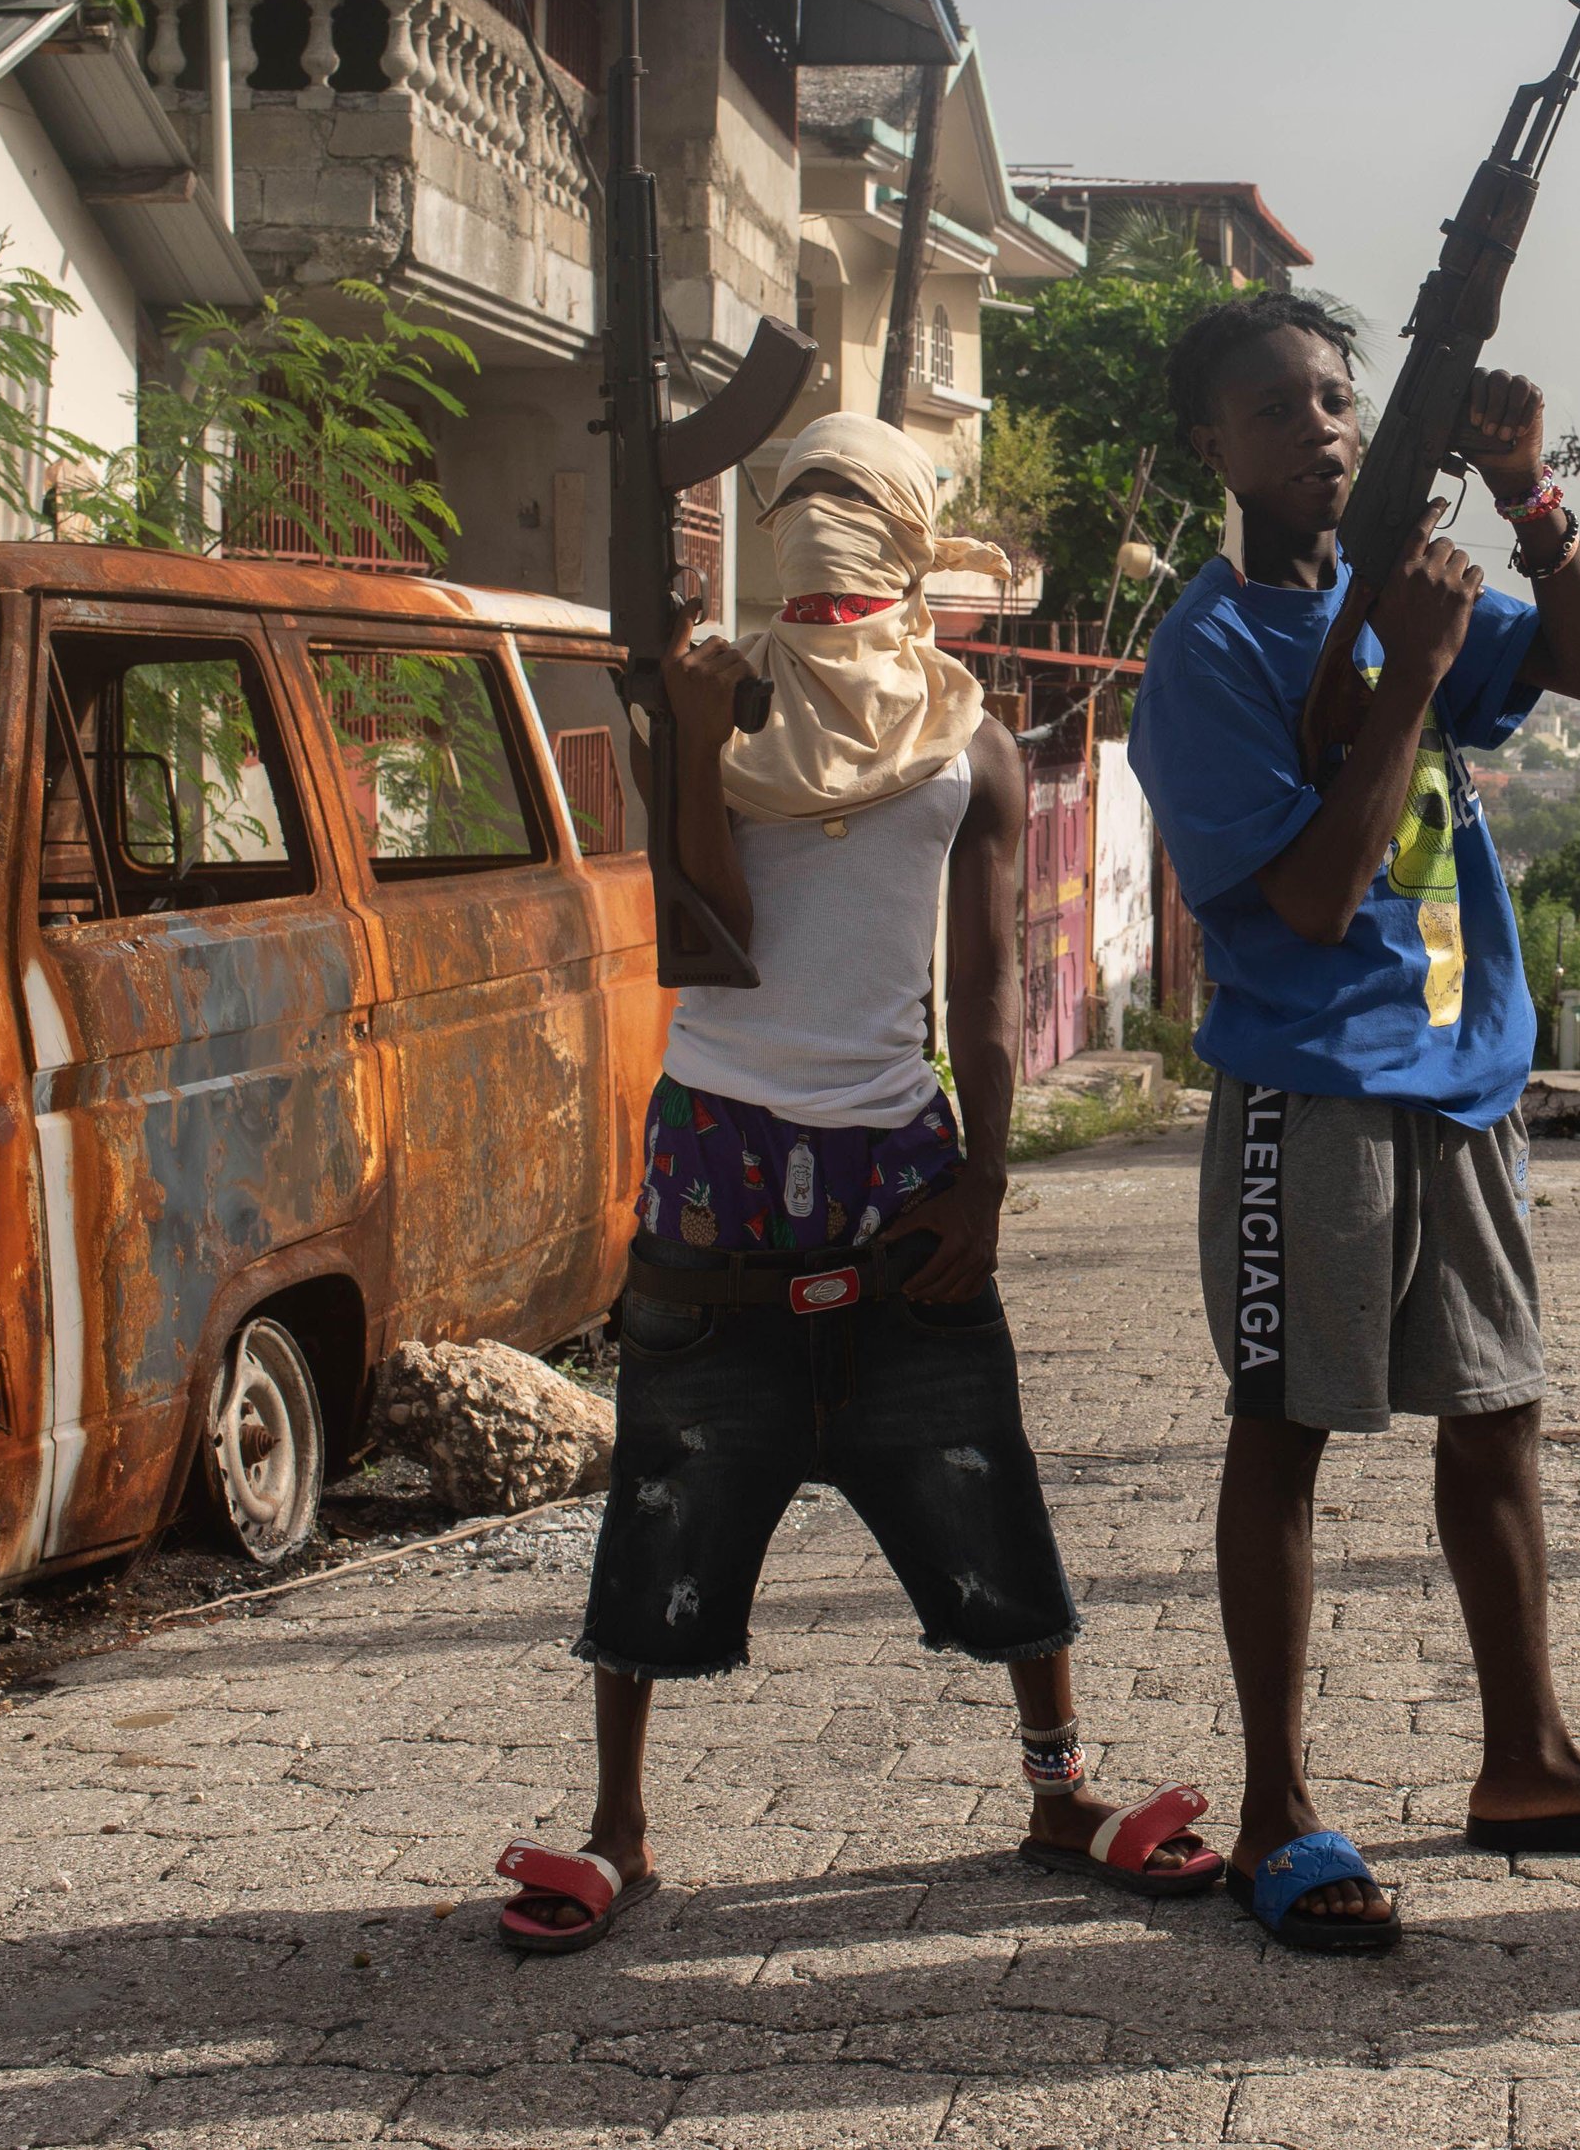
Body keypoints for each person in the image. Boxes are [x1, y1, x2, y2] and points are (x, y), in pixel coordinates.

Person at [494, 412, 1219, 1953]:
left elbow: (991, 981)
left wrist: (987, 1180)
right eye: (800, 507)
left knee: (980, 1467)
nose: (825, 545)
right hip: (717, 1158)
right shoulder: (715, 707)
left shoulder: (969, 741)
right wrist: (693, 737)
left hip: (900, 1165)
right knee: (668, 1481)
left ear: (905, 543)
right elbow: (706, 938)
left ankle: (1058, 1785)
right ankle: (620, 1828)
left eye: (853, 510)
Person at [1128, 293, 1580, 1957]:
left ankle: (1528, 1763)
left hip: (1462, 1078)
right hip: (1312, 1091)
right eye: (1274, 408)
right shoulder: (1209, 656)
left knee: (1498, 1421)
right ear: (1212, 450)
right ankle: (1274, 1813)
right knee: (1288, 1433)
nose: (1317, 428)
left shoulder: (1398, 600)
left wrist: (1533, 494)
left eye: (1337, 399)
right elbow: (1312, 901)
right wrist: (1420, 669)